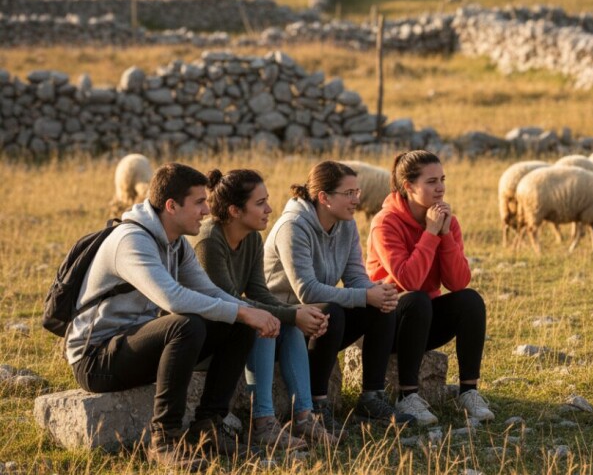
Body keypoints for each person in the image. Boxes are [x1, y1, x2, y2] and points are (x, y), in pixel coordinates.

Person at [66, 163, 281, 472]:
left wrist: (250, 313)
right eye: (199, 202)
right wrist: (243, 310)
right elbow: (172, 298)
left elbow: (208, 291)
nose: (207, 210)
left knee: (239, 327)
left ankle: (209, 426)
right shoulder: (132, 240)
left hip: (133, 345)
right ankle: (164, 440)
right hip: (95, 359)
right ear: (171, 205)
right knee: (186, 324)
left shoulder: (176, 242)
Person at [191, 169, 338, 450]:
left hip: (236, 329)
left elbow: (258, 293)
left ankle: (305, 417)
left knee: (288, 327)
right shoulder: (210, 240)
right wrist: (292, 313)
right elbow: (230, 300)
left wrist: (297, 314)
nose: (269, 209)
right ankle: (263, 424)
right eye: (260, 203)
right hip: (211, 341)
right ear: (234, 210)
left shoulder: (252, 238)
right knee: (264, 324)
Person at [264, 161, 414, 428]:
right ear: (324, 197)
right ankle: (318, 406)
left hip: (315, 315)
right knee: (331, 312)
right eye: (349, 193)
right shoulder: (294, 226)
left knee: (382, 306)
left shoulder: (346, 224)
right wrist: (364, 297)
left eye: (357, 192)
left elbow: (355, 277)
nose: (357, 199)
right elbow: (306, 290)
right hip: (283, 321)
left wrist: (377, 292)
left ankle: (371, 398)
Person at [366, 150, 493, 426]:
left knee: (470, 300)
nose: (440, 188)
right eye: (431, 181)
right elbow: (408, 281)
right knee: (416, 299)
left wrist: (445, 234)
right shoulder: (385, 223)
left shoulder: (448, 221)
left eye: (442, 180)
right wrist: (430, 234)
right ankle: (408, 395)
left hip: (422, 324)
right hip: (386, 324)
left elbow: (458, 282)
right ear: (409, 186)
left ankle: (469, 392)